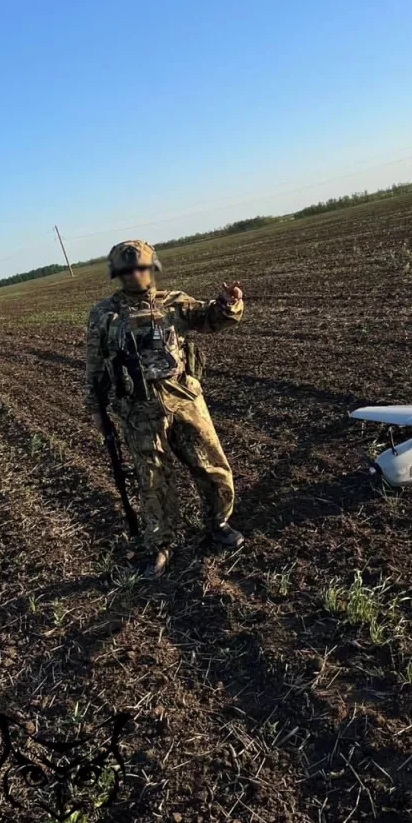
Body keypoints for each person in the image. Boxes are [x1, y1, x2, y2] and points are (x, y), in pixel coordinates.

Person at [85, 239, 244, 576]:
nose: (135, 275)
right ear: (117, 273)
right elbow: (95, 365)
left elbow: (210, 318)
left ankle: (219, 523)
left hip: (185, 400)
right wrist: (97, 411)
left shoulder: (174, 302)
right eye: (128, 270)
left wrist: (228, 304)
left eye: (141, 267)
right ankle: (160, 545)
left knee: (212, 466)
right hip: (138, 410)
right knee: (153, 480)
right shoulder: (104, 314)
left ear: (151, 267)